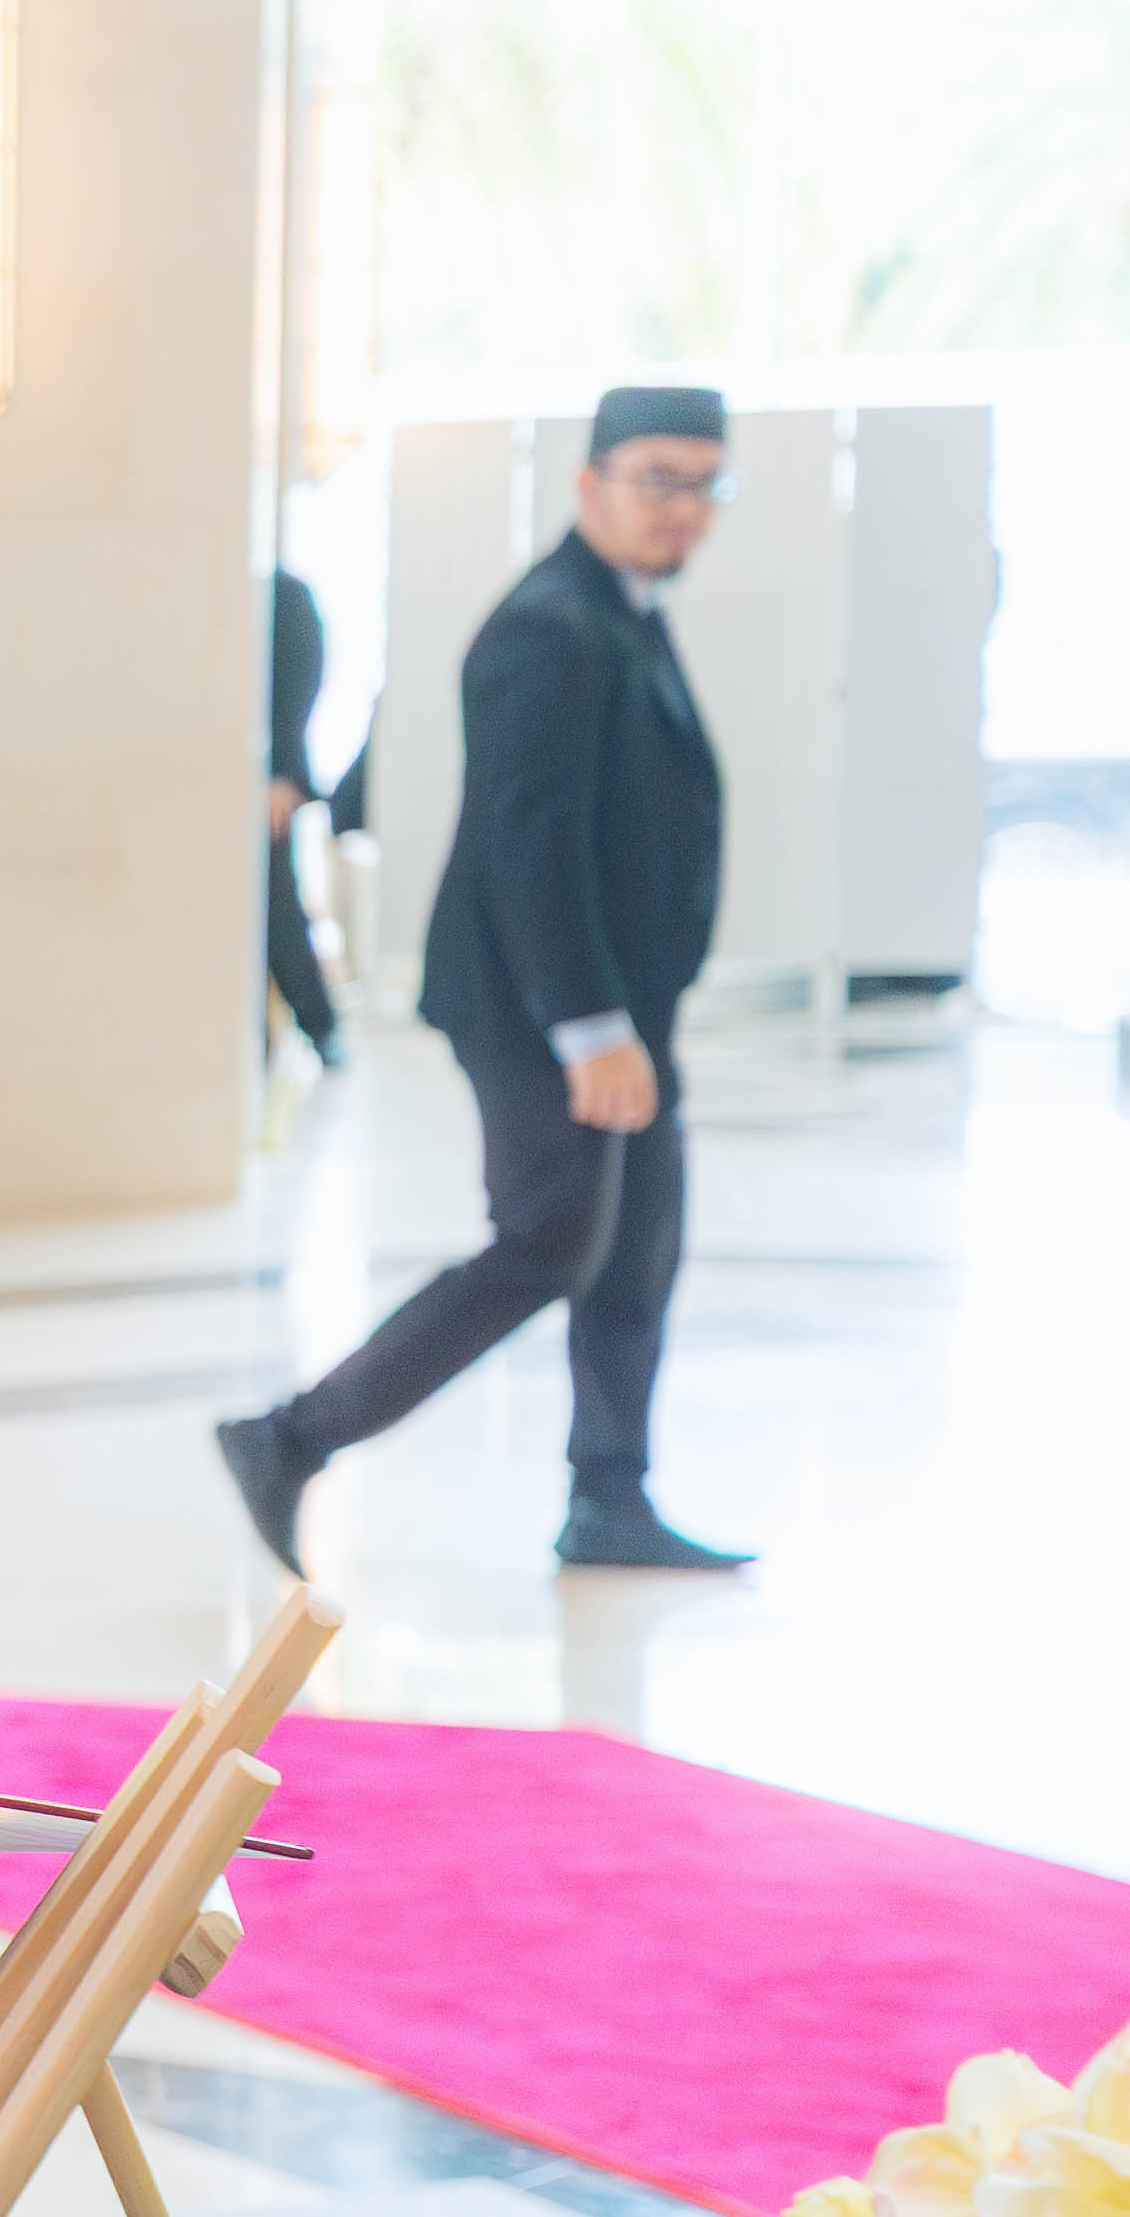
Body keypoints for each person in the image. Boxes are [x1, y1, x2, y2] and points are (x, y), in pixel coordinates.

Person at [222, 382, 745, 1578]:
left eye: (704, 482)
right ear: (590, 484)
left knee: (636, 1242)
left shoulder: (621, 610)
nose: (682, 507)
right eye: (657, 479)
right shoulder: (547, 628)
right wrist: (590, 1027)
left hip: (618, 1004)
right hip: (542, 1006)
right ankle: (289, 1437)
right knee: (549, 1240)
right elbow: (529, 843)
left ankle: (610, 1498)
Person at [265, 562, 346, 1063]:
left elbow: (296, 693)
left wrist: (282, 775)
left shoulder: (285, 596)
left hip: (266, 788)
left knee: (277, 907)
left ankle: (321, 1027)